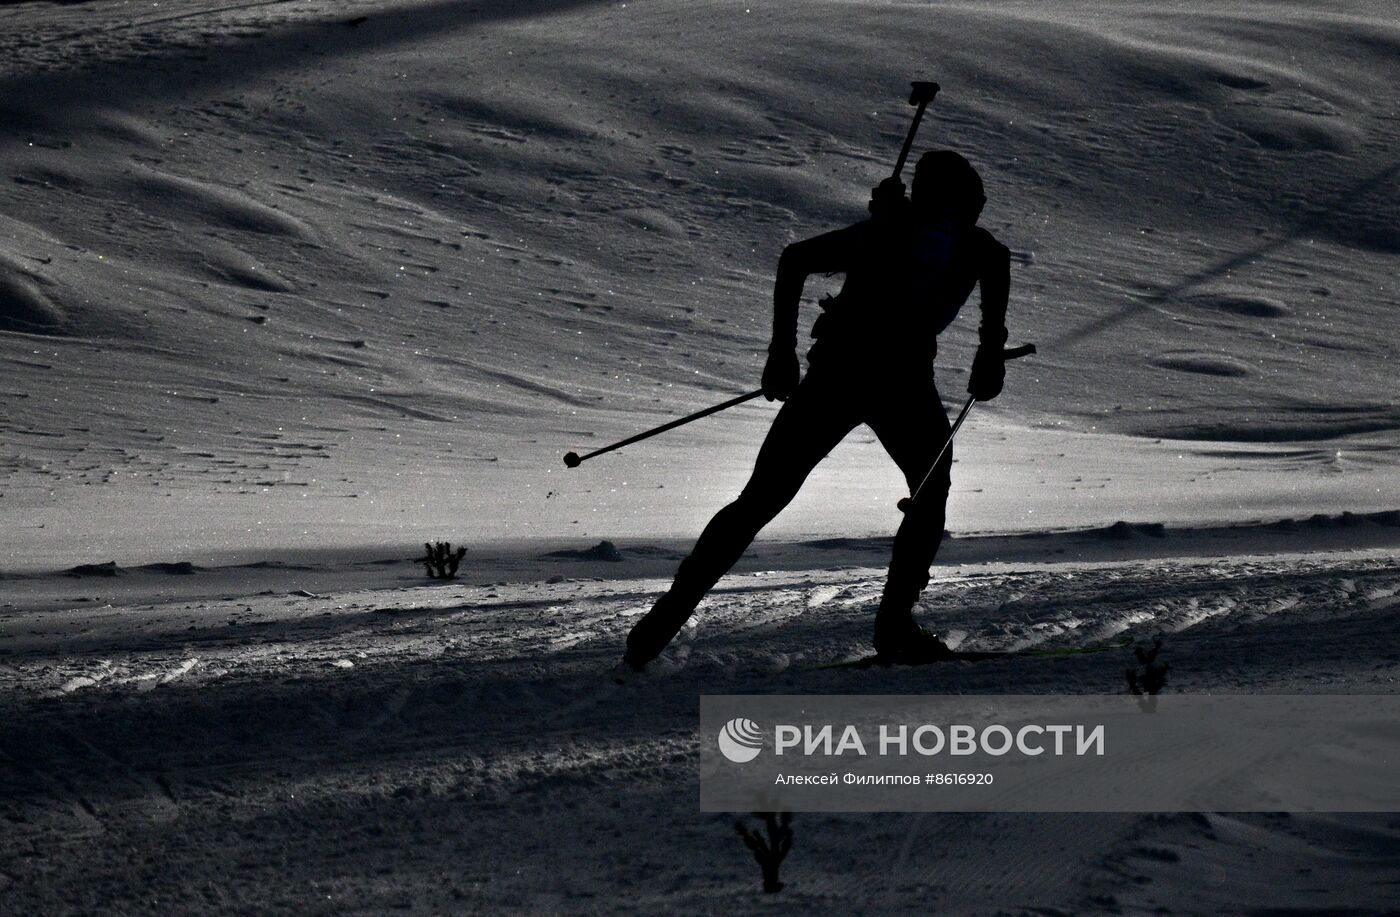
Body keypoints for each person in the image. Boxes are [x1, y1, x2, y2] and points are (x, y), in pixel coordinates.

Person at [623, 149, 1011, 671]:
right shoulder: (942, 242)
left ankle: (658, 629)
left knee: (764, 498)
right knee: (919, 490)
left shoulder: (901, 234)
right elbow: (796, 259)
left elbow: (795, 259)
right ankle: (895, 627)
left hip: (848, 374)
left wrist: (783, 352)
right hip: (885, 379)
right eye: (968, 202)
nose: (973, 211)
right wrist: (990, 355)